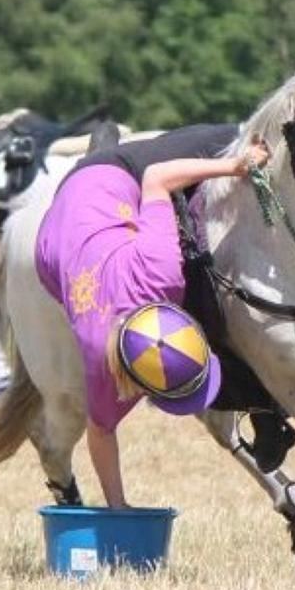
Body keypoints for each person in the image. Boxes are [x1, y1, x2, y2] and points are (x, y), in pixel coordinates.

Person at [34, 123, 271, 508]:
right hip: (66, 225)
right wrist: (119, 506)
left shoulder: (160, 271)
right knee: (236, 136)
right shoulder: (102, 365)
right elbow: (102, 432)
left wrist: (237, 166)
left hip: (85, 206)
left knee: (237, 138)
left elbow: (157, 178)